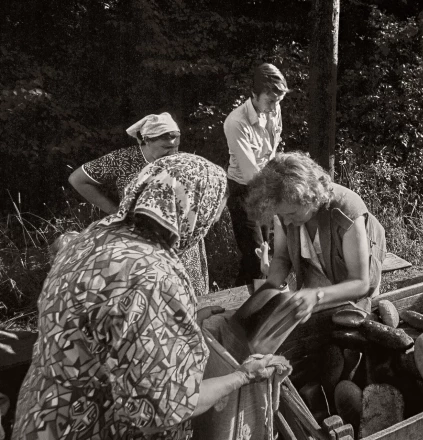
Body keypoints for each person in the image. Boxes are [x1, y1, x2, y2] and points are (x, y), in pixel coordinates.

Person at [12, 154, 289, 440]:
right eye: (211, 216)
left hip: (45, 417)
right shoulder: (155, 273)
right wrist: (243, 376)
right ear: (195, 210)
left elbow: (109, 329)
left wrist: (182, 320)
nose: (210, 224)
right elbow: (166, 408)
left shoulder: (89, 240)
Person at [68, 113, 210, 296]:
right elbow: (77, 179)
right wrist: (114, 210)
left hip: (181, 244)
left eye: (176, 146)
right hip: (143, 242)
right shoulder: (122, 160)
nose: (173, 152)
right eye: (166, 147)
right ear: (146, 141)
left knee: (190, 299)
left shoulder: (181, 161)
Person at [241, 151, 387, 322]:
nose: (285, 221)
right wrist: (268, 290)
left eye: (291, 214)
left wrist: (316, 295)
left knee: (354, 321)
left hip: (354, 278)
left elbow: (360, 282)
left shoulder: (347, 211)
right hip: (318, 270)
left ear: (310, 198)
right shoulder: (284, 207)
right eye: (281, 216)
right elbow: (282, 258)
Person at [223, 63, 289, 287]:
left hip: (266, 185)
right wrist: (281, 193)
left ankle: (256, 301)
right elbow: (252, 175)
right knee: (254, 258)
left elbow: (272, 151)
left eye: (277, 102)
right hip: (244, 190)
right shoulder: (236, 122)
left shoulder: (274, 108)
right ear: (253, 94)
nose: (273, 108)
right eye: (270, 101)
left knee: (265, 252)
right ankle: (241, 309)